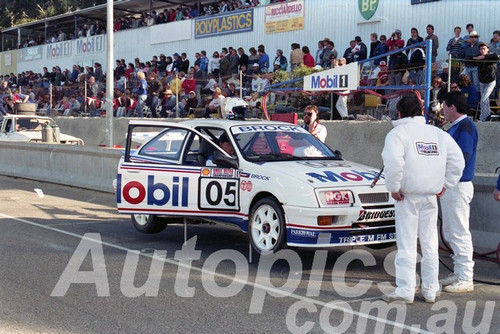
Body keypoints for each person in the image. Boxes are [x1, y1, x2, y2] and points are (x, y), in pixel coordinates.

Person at [380, 94, 464, 304]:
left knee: (407, 243)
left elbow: (393, 163)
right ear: (420, 111)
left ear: (399, 113)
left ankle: (406, 289)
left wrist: (394, 187)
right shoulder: (438, 134)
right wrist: (446, 185)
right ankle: (430, 289)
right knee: (429, 243)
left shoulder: (397, 134)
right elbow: (457, 162)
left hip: (407, 196)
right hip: (430, 196)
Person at [439, 91, 478, 293]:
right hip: (452, 185)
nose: (442, 110)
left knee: (459, 231)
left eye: (444, 106)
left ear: (452, 108)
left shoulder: (465, 127)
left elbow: (462, 157)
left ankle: (465, 277)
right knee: (451, 231)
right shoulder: (457, 127)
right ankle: (458, 271)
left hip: (458, 185)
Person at [474, 42, 499, 121]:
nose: (482, 50)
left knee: (484, 99)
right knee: (485, 101)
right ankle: (487, 116)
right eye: (481, 49)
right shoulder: (479, 57)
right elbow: (470, 58)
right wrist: (479, 58)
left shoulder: (491, 56)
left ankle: (483, 118)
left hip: (490, 81)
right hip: (482, 81)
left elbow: (496, 57)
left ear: (488, 49)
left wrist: (485, 57)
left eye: (484, 49)